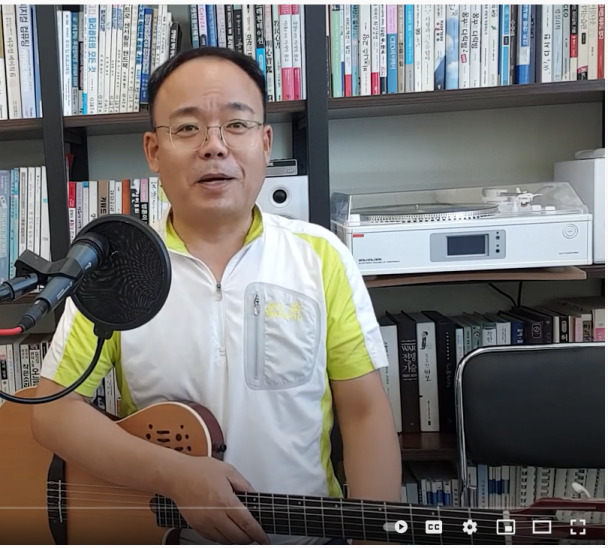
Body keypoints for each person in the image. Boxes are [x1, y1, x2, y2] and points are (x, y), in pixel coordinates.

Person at [31, 46, 401, 545]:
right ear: (153, 151)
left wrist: (376, 535)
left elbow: (363, 413)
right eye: (187, 128)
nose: (214, 146)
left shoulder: (320, 257)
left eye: (237, 124)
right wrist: (172, 475)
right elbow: (52, 411)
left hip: (306, 535)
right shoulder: (119, 266)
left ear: (265, 143)